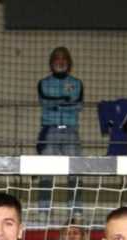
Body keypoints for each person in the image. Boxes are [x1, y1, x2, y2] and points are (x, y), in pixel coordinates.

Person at [36, 46, 83, 218]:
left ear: (69, 62)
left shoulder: (77, 83)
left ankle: (75, 210)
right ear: (51, 62)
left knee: (75, 170)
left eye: (64, 58)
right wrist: (65, 101)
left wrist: (56, 103)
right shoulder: (43, 83)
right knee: (46, 171)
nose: (60, 61)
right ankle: (44, 210)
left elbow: (77, 105)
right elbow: (45, 102)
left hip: (71, 131)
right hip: (50, 131)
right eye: (57, 58)